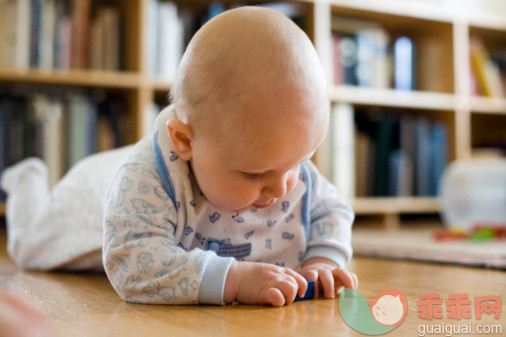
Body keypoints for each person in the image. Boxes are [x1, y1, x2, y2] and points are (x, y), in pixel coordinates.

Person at [1, 7, 357, 307]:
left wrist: (323, 261)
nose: (282, 188)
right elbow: (132, 262)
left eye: (297, 162)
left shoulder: (277, 159)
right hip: (91, 198)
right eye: (254, 174)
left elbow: (330, 210)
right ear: (184, 140)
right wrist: (232, 280)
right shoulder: (144, 181)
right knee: (31, 246)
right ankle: (26, 181)